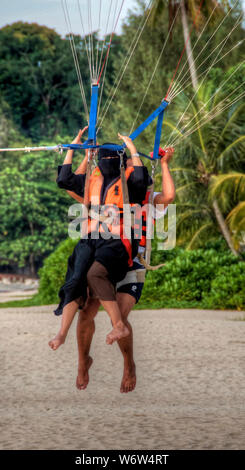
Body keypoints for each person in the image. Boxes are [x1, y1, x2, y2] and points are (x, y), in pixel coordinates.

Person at [72, 146, 176, 392]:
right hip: (103, 258)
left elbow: (169, 197)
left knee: (119, 314)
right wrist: (87, 159)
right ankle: (82, 361)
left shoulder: (144, 196)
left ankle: (129, 364)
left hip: (133, 261)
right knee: (86, 311)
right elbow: (74, 188)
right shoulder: (103, 192)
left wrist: (164, 164)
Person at [48, 128, 149, 350]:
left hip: (118, 239)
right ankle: (62, 333)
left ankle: (118, 324)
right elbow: (64, 179)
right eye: (102, 159)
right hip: (91, 238)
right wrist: (76, 148)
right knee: (76, 278)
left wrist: (131, 148)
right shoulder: (93, 178)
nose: (106, 163)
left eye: (110, 159)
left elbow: (142, 178)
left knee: (95, 274)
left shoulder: (129, 180)